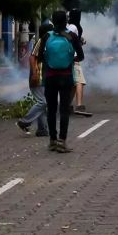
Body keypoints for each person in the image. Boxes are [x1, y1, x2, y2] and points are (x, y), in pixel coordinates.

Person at [37, 10, 84, 153]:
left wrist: (50, 62)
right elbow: (81, 56)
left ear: (53, 20)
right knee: (64, 110)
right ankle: (62, 142)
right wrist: (70, 59)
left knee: (51, 110)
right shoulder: (72, 36)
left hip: (50, 77)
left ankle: (52, 141)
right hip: (66, 77)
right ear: (66, 21)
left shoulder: (46, 36)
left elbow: (39, 57)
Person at [16, 22, 53, 137]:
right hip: (38, 77)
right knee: (43, 102)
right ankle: (25, 121)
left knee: (42, 103)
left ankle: (42, 129)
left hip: (45, 77)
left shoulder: (48, 42)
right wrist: (35, 73)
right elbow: (32, 58)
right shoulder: (41, 41)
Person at [66, 9, 88, 115]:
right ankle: (79, 105)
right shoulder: (73, 27)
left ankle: (67, 105)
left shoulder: (72, 26)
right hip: (73, 57)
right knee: (79, 81)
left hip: (71, 56)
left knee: (74, 84)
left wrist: (79, 41)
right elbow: (69, 39)